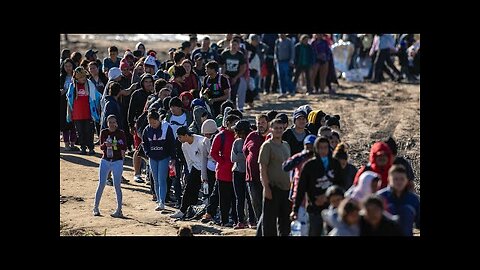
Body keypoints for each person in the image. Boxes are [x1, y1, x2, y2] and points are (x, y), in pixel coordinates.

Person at [291, 136, 343, 236]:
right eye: (320, 148)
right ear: (316, 149)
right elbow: (301, 188)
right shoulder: (309, 165)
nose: (323, 150)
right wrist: (295, 209)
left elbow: (340, 184)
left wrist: (327, 197)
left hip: (332, 208)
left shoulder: (335, 163)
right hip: (314, 208)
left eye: (325, 147)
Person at [256, 118, 291, 236]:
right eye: (276, 128)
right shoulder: (267, 146)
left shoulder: (286, 145)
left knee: (285, 222)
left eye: (281, 128)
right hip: (272, 188)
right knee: (269, 223)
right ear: (271, 129)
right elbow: (263, 168)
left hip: (286, 189)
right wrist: (266, 187)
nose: (278, 130)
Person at [93, 114, 127, 218]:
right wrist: (106, 145)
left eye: (113, 122)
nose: (112, 124)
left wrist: (114, 145)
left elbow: (124, 146)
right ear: (107, 123)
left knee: (117, 185)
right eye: (110, 122)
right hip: (106, 160)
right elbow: (101, 146)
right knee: (101, 184)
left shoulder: (120, 133)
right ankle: (96, 207)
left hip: (117, 161)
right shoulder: (104, 132)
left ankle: (119, 209)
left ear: (116, 123)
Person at [282, 134, 316, 236]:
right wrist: (301, 157)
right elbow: (285, 167)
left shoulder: (319, 159)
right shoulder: (299, 157)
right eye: (307, 146)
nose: (309, 149)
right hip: (299, 197)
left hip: (314, 198)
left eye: (312, 146)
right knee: (301, 227)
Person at [209, 115, 240, 226]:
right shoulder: (220, 136)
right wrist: (223, 162)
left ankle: (237, 220)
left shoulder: (240, 135)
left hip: (237, 172)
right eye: (234, 123)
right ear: (228, 124)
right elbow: (213, 152)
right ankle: (225, 220)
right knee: (224, 199)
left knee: (236, 198)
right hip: (223, 172)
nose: (236, 126)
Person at [142, 110, 176, 211]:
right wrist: (148, 153)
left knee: (162, 179)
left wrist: (172, 157)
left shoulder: (166, 128)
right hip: (153, 157)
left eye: (154, 122)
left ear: (159, 120)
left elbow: (171, 143)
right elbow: (144, 143)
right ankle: (158, 199)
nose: (152, 125)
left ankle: (162, 201)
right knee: (155, 179)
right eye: (150, 123)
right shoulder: (147, 130)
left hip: (164, 157)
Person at [169, 126, 205, 219]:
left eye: (180, 137)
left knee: (206, 190)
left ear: (186, 135)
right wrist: (190, 173)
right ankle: (184, 210)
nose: (179, 139)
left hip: (206, 168)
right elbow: (188, 160)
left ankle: (204, 211)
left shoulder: (200, 141)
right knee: (189, 189)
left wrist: (204, 173)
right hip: (195, 168)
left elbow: (205, 157)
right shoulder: (184, 145)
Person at [66, 67, 101, 155]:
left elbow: (96, 96)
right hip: (77, 114)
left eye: (84, 77)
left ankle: (91, 148)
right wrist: (69, 114)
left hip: (88, 113)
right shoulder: (73, 86)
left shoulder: (89, 85)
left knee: (89, 132)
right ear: (76, 78)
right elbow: (69, 100)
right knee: (80, 132)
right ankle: (83, 147)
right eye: (81, 77)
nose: (83, 79)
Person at [377, 165, 420, 236]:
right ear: (389, 179)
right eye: (395, 179)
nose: (399, 182)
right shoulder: (380, 197)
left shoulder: (413, 199)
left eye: (402, 179)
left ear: (407, 180)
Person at [128, 73, 155, 183]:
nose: (148, 84)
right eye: (146, 82)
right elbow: (130, 111)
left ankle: (149, 175)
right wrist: (130, 124)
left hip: (152, 126)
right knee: (138, 149)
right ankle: (137, 173)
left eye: (150, 82)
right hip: (139, 126)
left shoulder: (154, 95)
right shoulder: (137, 94)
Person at [243, 114, 269, 222]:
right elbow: (245, 151)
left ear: (268, 123)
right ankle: (260, 224)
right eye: (258, 123)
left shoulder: (271, 136)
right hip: (252, 177)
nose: (260, 125)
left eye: (263, 122)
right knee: (256, 202)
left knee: (267, 203)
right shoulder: (251, 136)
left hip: (268, 177)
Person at [231, 120, 256, 229]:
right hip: (237, 173)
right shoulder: (236, 142)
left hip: (249, 173)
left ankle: (252, 220)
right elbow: (233, 158)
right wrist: (246, 154)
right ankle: (240, 221)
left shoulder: (252, 140)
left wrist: (243, 154)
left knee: (251, 198)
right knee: (239, 198)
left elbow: (253, 156)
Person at [200, 119, 220, 223]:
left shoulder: (220, 137)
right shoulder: (204, 142)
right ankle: (213, 212)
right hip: (210, 168)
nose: (207, 136)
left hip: (221, 168)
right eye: (205, 134)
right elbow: (203, 159)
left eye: (209, 134)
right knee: (211, 191)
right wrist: (203, 176)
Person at [220, 38, 247, 111]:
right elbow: (222, 66)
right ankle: (225, 108)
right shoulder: (225, 54)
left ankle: (235, 109)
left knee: (234, 93)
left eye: (236, 45)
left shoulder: (240, 55)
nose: (234, 46)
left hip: (236, 76)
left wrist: (236, 77)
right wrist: (223, 75)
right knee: (226, 93)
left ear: (238, 46)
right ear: (230, 45)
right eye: (233, 44)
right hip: (226, 76)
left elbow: (243, 67)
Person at [60, 58, 79, 151]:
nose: (68, 68)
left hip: (75, 102)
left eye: (70, 66)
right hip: (63, 103)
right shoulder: (61, 77)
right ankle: (66, 144)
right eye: (66, 66)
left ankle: (72, 143)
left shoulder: (76, 77)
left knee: (73, 124)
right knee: (65, 124)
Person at [275, 34, 295, 98]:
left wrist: (291, 60)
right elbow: (275, 52)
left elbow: (292, 51)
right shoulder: (277, 41)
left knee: (287, 76)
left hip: (286, 61)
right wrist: (275, 59)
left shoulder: (289, 41)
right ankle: (283, 92)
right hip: (279, 61)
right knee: (280, 77)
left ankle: (291, 90)